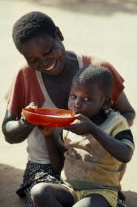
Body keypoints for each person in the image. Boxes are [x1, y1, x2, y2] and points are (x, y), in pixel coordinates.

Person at [2, 11, 135, 206]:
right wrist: (26, 121)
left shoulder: (97, 71)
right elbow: (8, 133)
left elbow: (127, 113)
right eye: (33, 60)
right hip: (44, 167)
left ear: (58, 34)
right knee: (41, 194)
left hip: (97, 167)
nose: (44, 62)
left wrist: (97, 131)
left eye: (47, 52)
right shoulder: (25, 75)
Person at [31, 65, 134, 207]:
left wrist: (93, 129)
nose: (77, 104)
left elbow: (126, 154)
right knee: (39, 191)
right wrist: (48, 136)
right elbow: (59, 165)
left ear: (105, 101)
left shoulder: (116, 123)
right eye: (73, 96)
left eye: (86, 99)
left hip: (101, 193)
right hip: (69, 189)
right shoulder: (68, 124)